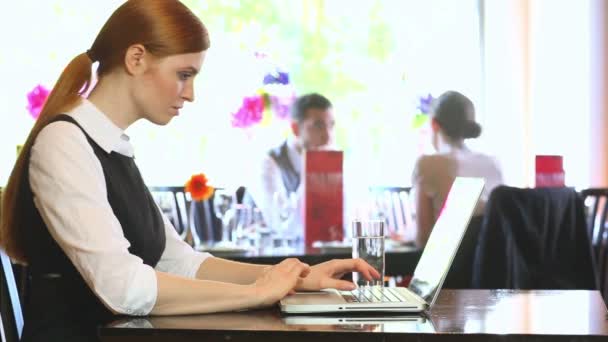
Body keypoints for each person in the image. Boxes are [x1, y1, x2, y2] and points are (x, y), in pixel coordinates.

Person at [0, 1, 379, 341]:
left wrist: (293, 278)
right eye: (184, 73)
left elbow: (179, 261)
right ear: (136, 59)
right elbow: (124, 287)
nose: (190, 93)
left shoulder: (113, 146)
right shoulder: (64, 143)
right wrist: (256, 293)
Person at [411, 91, 503, 247]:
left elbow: (423, 239)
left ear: (434, 124)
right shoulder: (493, 163)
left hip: (448, 268)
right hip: (491, 266)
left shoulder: (427, 164)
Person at [248, 93, 335, 241]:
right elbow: (280, 224)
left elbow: (350, 218)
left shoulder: (333, 161)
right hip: (268, 257)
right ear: (295, 128)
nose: (328, 137)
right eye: (318, 126)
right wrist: (314, 173)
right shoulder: (269, 162)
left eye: (331, 126)